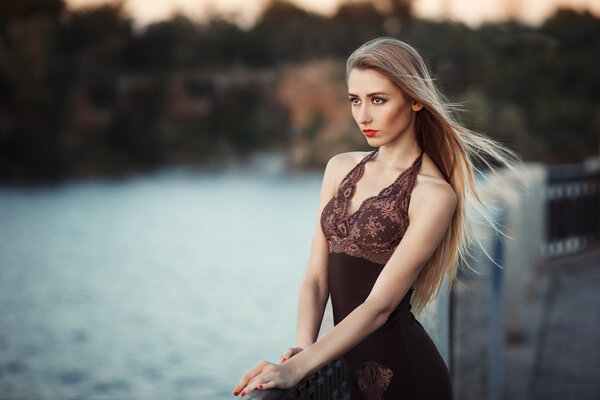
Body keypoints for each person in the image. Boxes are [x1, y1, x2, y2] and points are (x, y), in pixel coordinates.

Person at [233, 37, 516, 399]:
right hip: (351, 374)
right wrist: (304, 349)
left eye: (378, 100)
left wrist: (295, 370)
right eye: (355, 100)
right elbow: (317, 278)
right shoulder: (340, 167)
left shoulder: (433, 194)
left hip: (408, 378)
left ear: (415, 100)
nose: (363, 116)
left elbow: (379, 306)